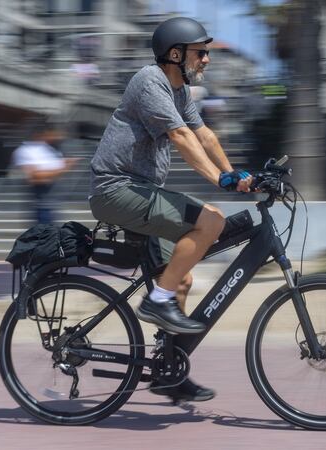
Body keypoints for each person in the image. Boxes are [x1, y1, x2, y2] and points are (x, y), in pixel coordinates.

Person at [88, 17, 252, 402]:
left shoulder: (178, 91)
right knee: (209, 220)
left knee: (180, 280)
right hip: (116, 189)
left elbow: (203, 134)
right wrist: (219, 181)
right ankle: (156, 302)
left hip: (138, 189)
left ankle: (168, 374)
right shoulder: (150, 82)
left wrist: (237, 175)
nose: (207, 59)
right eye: (201, 52)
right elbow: (180, 137)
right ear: (175, 54)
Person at [12, 119, 78, 224]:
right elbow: (35, 177)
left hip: (52, 203)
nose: (58, 136)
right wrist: (63, 169)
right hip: (42, 205)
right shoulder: (27, 150)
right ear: (43, 133)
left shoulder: (49, 149)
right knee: (44, 235)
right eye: (53, 133)